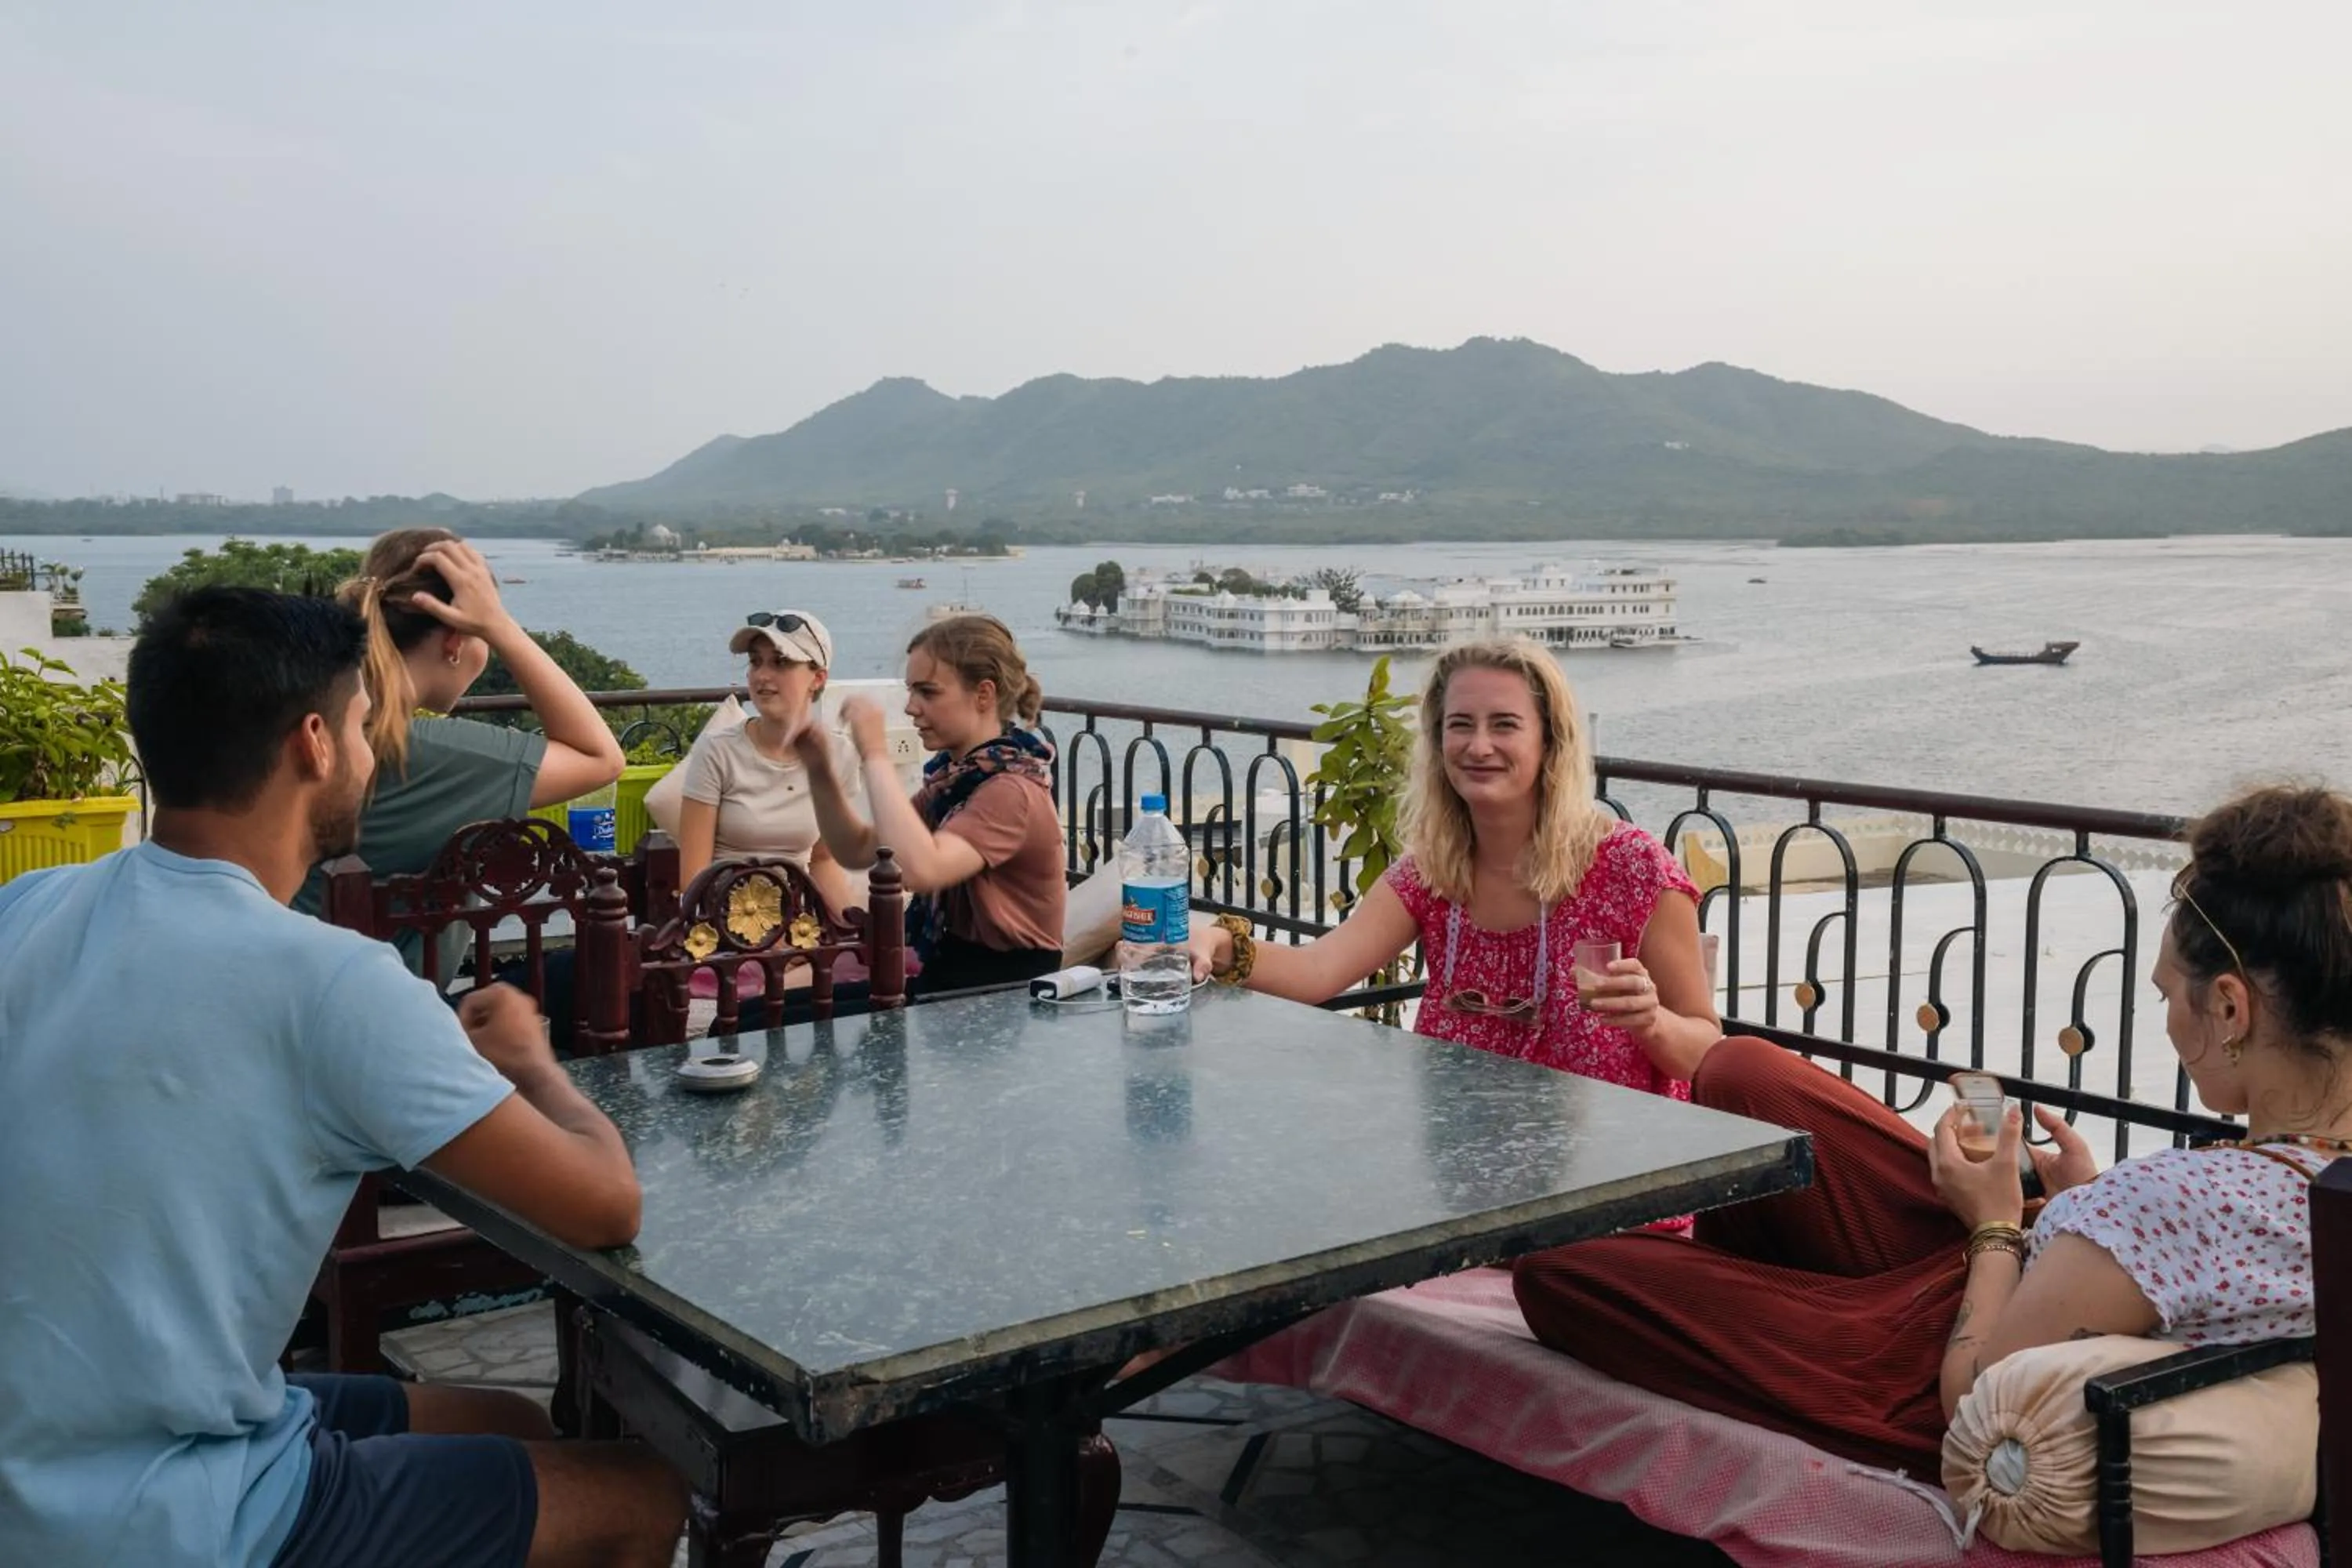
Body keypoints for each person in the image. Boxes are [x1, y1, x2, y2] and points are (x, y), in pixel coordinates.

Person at [0, 587, 684, 1567]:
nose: (372, 752)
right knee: (640, 1495)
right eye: (365, 726)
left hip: (46, 1440)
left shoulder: (27, 904)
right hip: (163, 1512)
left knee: (509, 1420)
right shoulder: (331, 981)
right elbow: (605, 1205)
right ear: (315, 743)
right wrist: (533, 1064)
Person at [1510, 782, 2352, 1475]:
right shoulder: (2302, 1183)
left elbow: (1978, 1397)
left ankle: (1764, 1302)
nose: (2166, 1017)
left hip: (1916, 1361)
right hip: (2026, 1277)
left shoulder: (2177, 1198)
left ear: (2231, 1008)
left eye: (2169, 994)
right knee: (1741, 1070)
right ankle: (1761, 1287)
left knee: (1563, 1273)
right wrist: (2083, 1201)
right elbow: (2183, 1265)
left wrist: (1996, 1221)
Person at [1159, 638, 1720, 1097]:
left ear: (1550, 742)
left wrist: (1651, 1021)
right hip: (1463, 1159)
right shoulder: (1435, 869)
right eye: (1461, 724)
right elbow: (1318, 970)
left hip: (1612, 1174)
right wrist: (1218, 941)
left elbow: (1704, 1051)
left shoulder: (1633, 868)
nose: (1479, 746)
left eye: (1505, 724)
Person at [293, 530, 624, 1036]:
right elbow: (600, 757)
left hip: (302, 1011)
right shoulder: (428, 755)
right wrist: (501, 627)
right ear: (455, 640)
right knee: (587, 975)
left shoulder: (314, 729)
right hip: (385, 1028)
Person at [797, 614, 1065, 996]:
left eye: (928, 692)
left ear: (983, 695)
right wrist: (819, 772)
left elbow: (924, 869)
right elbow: (856, 849)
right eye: (911, 692)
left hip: (999, 995)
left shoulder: (1010, 790)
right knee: (757, 1016)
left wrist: (875, 753)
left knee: (766, 1021)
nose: (911, 707)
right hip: (953, 978)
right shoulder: (954, 783)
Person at [673, 607, 858, 911]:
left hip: (798, 922)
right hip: (723, 921)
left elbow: (823, 860)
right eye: (755, 661)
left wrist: (855, 929)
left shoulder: (839, 756)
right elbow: (694, 882)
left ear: (817, 678)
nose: (762, 675)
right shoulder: (718, 751)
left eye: (780, 662)